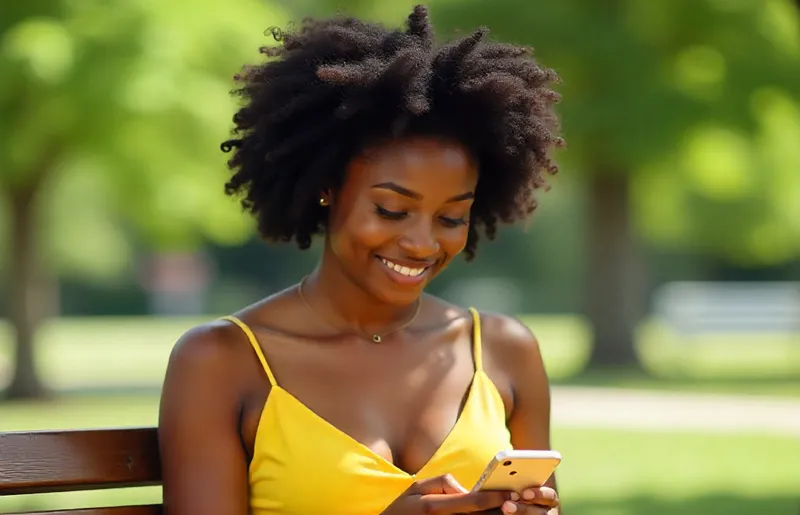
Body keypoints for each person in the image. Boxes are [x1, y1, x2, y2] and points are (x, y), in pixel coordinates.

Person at [158, 4, 565, 515]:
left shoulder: (505, 350)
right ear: (327, 188)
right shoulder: (221, 361)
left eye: (450, 218)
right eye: (392, 210)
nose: (422, 244)